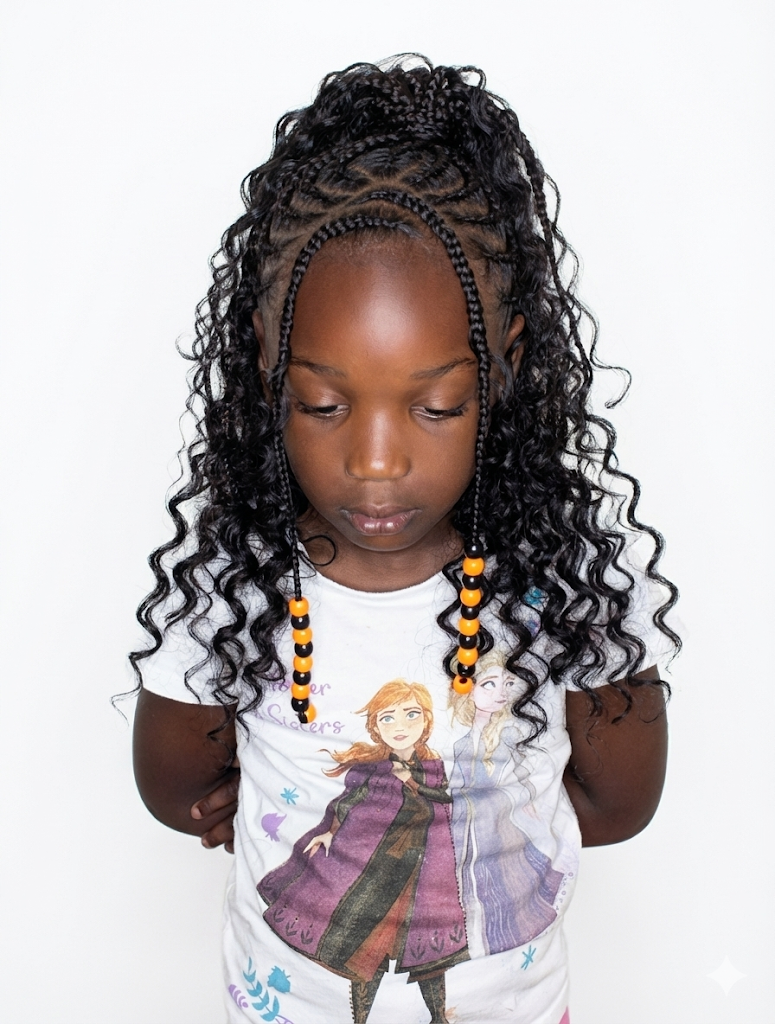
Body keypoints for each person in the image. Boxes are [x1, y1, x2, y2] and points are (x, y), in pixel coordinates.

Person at [131, 56, 679, 1024]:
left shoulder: (564, 583)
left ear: (502, 365)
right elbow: (177, 783)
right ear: (266, 363)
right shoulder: (240, 588)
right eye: (324, 403)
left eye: (433, 405)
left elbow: (618, 803)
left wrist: (492, 838)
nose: (375, 462)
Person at [258, 680, 466, 1023]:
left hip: (422, 876)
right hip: (377, 872)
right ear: (375, 726)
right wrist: (328, 833)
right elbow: (346, 805)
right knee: (365, 949)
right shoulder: (369, 771)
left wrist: (413, 783)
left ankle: (438, 1017)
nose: (400, 726)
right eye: (388, 718)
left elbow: (443, 805)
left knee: (430, 948)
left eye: (411, 715)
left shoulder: (432, 769)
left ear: (426, 722)